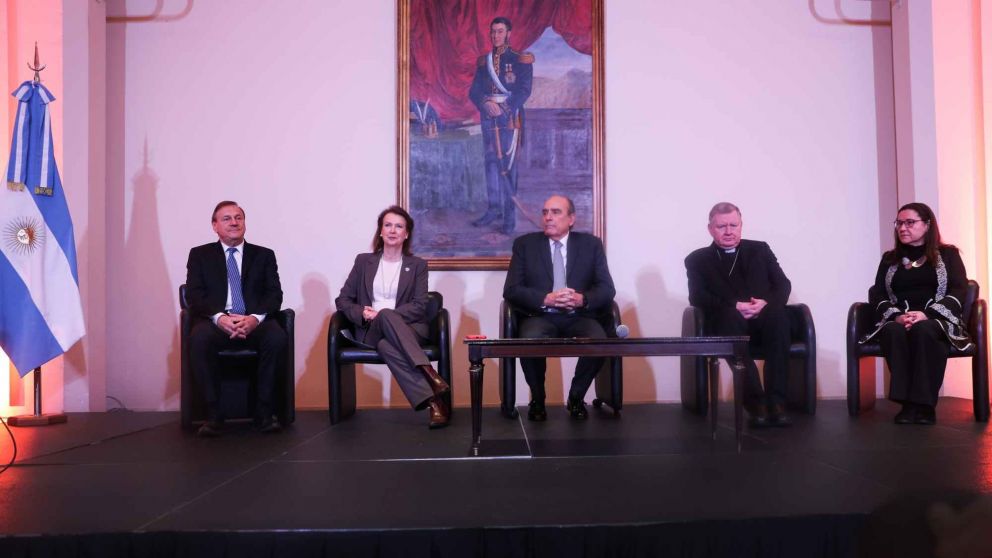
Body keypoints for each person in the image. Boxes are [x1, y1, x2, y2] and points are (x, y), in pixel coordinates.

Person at [334, 206, 451, 429]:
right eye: (387, 225)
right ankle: (429, 373)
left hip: (409, 330)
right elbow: (343, 300)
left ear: (406, 234)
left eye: (399, 226)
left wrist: (384, 314)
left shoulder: (417, 266)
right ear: (380, 231)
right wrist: (362, 313)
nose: (392, 230)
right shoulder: (363, 261)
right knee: (383, 323)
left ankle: (433, 402)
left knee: (386, 345)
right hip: (371, 330)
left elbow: (419, 306)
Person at [503, 195, 616, 420]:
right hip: (540, 315)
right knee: (530, 340)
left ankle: (576, 397)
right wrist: (546, 299)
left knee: (599, 340)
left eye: (555, 212)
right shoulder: (525, 245)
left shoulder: (590, 245)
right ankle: (538, 398)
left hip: (579, 315)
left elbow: (607, 289)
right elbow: (511, 289)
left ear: (571, 219)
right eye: (545, 212)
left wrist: (582, 299)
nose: (548, 217)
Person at [859, 202, 971, 425]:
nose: (902, 228)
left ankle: (925, 406)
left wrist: (927, 314)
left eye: (910, 222)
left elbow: (960, 289)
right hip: (899, 318)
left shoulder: (948, 254)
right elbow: (877, 293)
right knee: (892, 331)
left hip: (937, 319)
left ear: (927, 225)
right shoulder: (889, 259)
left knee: (924, 330)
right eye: (899, 223)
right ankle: (908, 405)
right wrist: (897, 316)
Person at [685, 202, 794, 427]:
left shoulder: (760, 250)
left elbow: (783, 285)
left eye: (733, 225)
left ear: (741, 225)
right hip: (727, 322)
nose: (728, 231)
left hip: (763, 320)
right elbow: (697, 297)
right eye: (721, 226)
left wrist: (765, 303)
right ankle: (756, 403)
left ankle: (777, 402)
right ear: (710, 229)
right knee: (729, 318)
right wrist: (733, 306)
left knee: (779, 318)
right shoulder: (697, 259)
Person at [185, 201, 288, 437]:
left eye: (238, 217)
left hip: (253, 322)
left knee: (276, 337)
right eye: (227, 218)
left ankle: (264, 414)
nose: (234, 222)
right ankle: (213, 415)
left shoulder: (264, 255)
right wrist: (219, 317)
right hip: (217, 323)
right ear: (214, 226)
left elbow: (274, 295)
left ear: (244, 223)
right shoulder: (200, 255)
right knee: (199, 338)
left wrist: (254, 319)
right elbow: (194, 295)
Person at [468, 16, 534, 235]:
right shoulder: (483, 62)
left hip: (509, 118)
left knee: (508, 165)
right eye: (493, 31)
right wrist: (485, 103)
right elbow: (474, 91)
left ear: (508, 34)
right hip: (488, 116)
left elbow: (524, 90)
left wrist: (504, 108)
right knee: (490, 163)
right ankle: (493, 210)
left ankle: (509, 217)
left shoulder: (520, 59)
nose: (495, 35)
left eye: (500, 31)